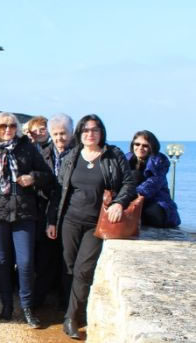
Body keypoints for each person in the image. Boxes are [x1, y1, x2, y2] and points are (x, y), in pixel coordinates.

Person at [46, 114, 136, 339]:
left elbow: (129, 183)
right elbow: (59, 191)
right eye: (85, 130)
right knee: (68, 267)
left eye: (94, 130)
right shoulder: (71, 156)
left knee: (83, 270)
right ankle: (71, 310)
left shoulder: (113, 155)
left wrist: (118, 202)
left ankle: (71, 318)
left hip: (96, 224)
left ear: (101, 132)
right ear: (80, 133)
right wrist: (51, 221)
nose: (90, 134)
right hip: (69, 220)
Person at [0, 112, 54, 328]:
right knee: (3, 263)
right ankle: (7, 305)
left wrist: (33, 177)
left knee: (26, 262)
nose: (7, 130)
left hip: (24, 213)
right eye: (3, 126)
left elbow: (49, 177)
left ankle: (27, 307)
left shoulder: (28, 148)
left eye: (11, 126)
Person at [33, 113, 74, 310]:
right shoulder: (43, 153)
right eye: (56, 134)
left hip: (70, 214)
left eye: (63, 133)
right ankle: (37, 302)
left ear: (72, 133)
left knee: (67, 263)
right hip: (46, 212)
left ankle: (66, 305)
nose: (60, 138)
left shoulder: (78, 154)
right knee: (44, 262)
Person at [127, 130, 180, 228]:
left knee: (152, 212)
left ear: (152, 146)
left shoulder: (159, 161)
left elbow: (153, 182)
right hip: (132, 199)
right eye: (137, 144)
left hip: (155, 200)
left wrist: (131, 194)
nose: (140, 148)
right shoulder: (126, 159)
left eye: (145, 145)